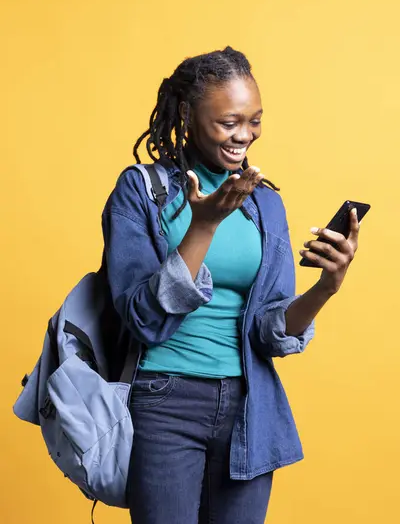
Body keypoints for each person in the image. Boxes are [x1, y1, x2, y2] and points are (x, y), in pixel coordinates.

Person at [101, 46, 360, 524]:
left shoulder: (263, 204)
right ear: (187, 113)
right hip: (163, 401)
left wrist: (326, 287)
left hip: (250, 405)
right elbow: (139, 318)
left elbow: (269, 332)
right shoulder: (141, 192)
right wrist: (203, 226)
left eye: (255, 120)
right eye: (229, 122)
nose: (245, 135)